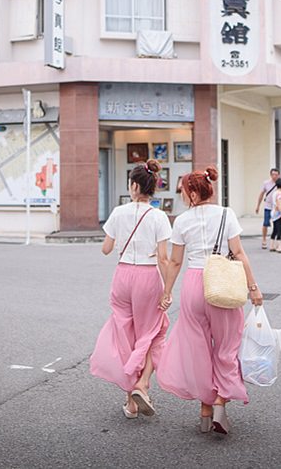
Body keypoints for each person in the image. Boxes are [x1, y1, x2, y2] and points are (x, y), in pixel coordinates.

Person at [157, 166, 264, 435]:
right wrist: (253, 288)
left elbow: (176, 261)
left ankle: (205, 411)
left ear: (192, 192)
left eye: (183, 190)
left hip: (194, 284)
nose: (182, 194)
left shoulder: (181, 221)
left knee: (199, 350)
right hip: (222, 282)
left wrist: (167, 291)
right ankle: (219, 401)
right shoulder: (226, 215)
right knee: (227, 346)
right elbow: (238, 253)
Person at [90, 160, 173, 419]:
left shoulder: (118, 212)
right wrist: (167, 290)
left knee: (125, 335)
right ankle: (143, 383)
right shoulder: (159, 216)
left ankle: (131, 402)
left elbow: (105, 249)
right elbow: (163, 258)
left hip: (123, 275)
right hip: (148, 276)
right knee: (152, 332)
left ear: (134, 186)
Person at [254, 168, 280, 249]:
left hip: (277, 207)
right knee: (265, 223)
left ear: (279, 175)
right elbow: (261, 194)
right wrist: (258, 206)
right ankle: (264, 239)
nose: (274, 176)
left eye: (276, 175)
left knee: (277, 224)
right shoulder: (266, 183)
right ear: (270, 175)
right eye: (273, 174)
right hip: (268, 206)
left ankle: (276, 241)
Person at [269, 178, 281, 254]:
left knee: (275, 229)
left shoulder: (275, 193)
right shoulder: (280, 194)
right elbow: (280, 205)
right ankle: (279, 246)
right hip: (278, 213)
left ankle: (272, 245)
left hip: (274, 212)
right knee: (280, 229)